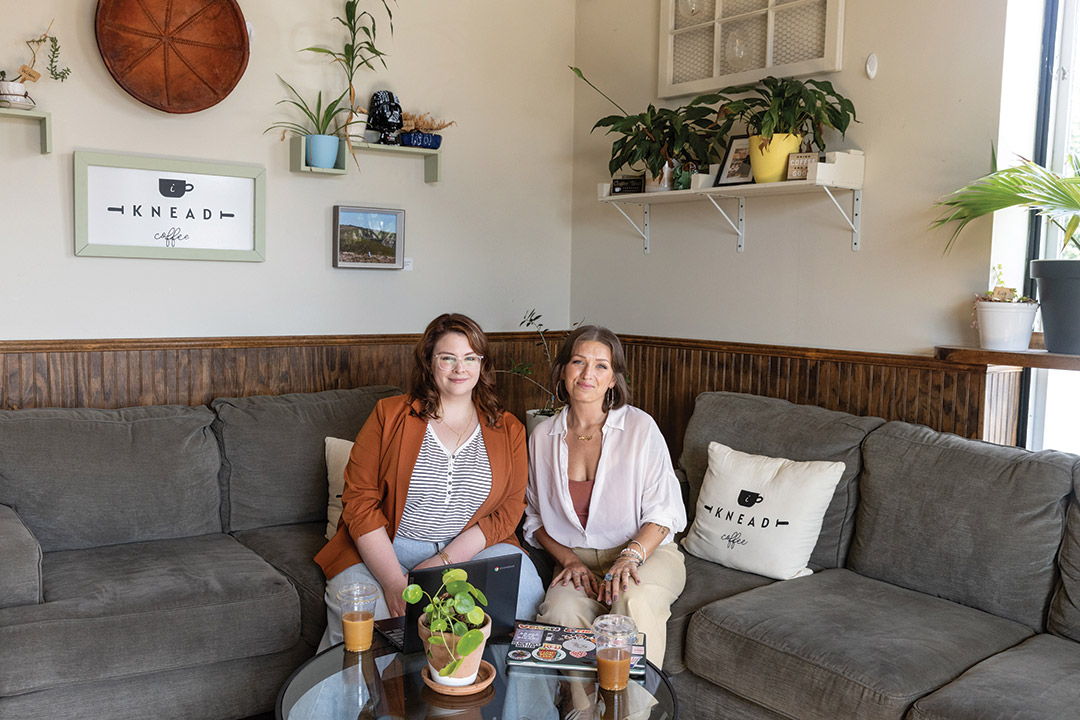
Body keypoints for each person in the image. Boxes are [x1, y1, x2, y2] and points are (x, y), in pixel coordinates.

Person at [315, 313, 545, 650]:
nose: (459, 368)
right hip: (386, 547)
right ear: (429, 362)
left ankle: (512, 702)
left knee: (525, 592)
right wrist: (394, 582)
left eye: (470, 358)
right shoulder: (388, 415)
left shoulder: (508, 428)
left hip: (471, 550)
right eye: (447, 357)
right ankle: (359, 703)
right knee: (363, 623)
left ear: (482, 365)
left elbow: (509, 509)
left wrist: (442, 563)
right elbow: (360, 500)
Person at [524, 325, 686, 669]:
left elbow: (665, 513)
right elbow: (534, 518)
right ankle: (583, 710)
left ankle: (632, 713)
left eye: (601, 366)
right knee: (559, 610)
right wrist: (568, 560)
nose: (588, 374)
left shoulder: (640, 428)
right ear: (563, 370)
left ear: (613, 379)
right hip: (577, 561)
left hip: (645, 553)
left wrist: (629, 557)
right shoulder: (541, 437)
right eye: (579, 362)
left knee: (632, 598)